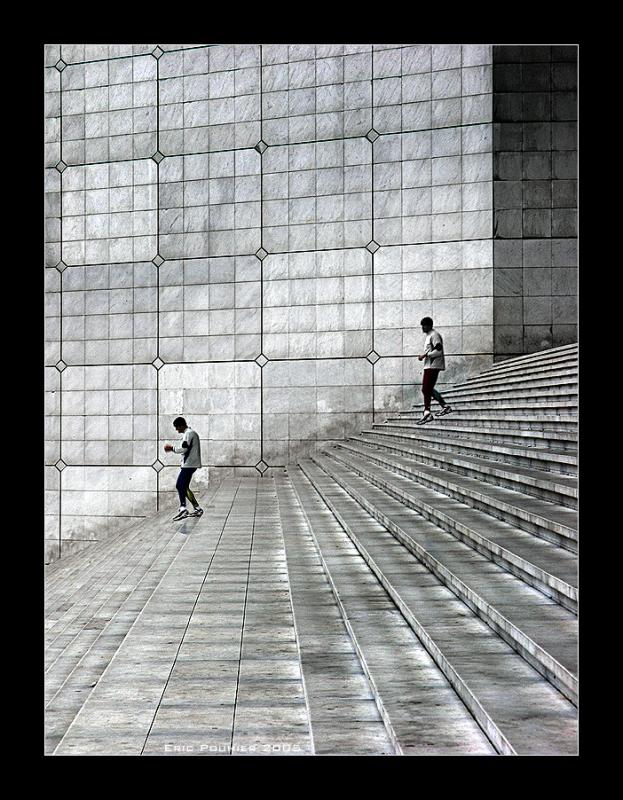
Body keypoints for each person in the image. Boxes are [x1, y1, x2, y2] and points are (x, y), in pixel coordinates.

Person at [414, 317, 453, 425]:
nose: (422, 327)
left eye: (424, 325)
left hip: (433, 365)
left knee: (426, 389)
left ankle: (428, 413)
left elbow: (438, 350)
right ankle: (444, 407)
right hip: (429, 366)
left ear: (429, 325)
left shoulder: (434, 335)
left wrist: (425, 355)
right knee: (427, 389)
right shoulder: (429, 336)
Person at [164, 417, 204, 521]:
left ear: (181, 425)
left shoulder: (188, 433)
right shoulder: (191, 433)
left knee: (180, 485)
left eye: (177, 428)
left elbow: (184, 448)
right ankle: (197, 508)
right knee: (183, 486)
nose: (177, 430)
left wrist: (171, 448)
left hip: (189, 464)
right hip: (191, 464)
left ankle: (183, 509)